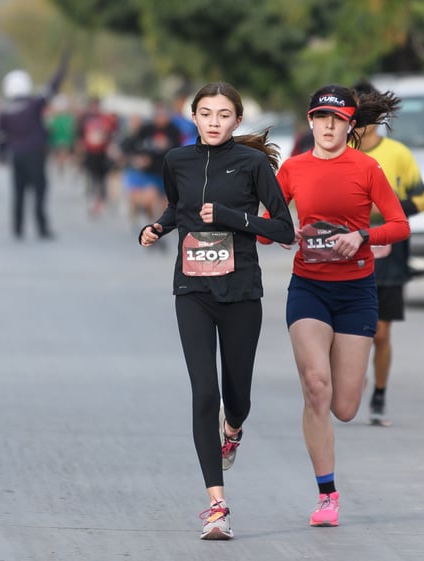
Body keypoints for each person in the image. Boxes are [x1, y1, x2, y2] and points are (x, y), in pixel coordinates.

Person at [138, 82, 294, 540]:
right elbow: (176, 208)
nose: (213, 122)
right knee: (204, 392)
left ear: (237, 121)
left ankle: (235, 426)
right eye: (205, 113)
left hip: (242, 290)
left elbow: (283, 227)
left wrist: (231, 216)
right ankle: (217, 506)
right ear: (194, 117)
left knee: (237, 396)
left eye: (223, 115)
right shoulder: (177, 161)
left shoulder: (252, 164)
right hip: (192, 290)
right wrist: (157, 228)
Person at [261, 84, 410, 527]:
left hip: (357, 291)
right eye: (321, 117)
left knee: (344, 406)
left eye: (337, 119)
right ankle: (327, 494)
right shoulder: (293, 169)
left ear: (350, 125)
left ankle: (353, 369)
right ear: (310, 121)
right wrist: (281, 233)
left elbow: (399, 225)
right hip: (309, 288)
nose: (328, 126)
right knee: (315, 387)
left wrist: (362, 235)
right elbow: (269, 225)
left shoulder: (367, 168)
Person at [352, 80, 424, 427]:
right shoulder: (336, 153)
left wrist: (391, 208)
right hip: (342, 249)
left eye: (367, 112)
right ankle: (349, 380)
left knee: (380, 333)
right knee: (346, 330)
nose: (359, 119)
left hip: (387, 250)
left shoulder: (397, 154)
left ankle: (379, 394)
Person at [0, 48, 69, 240]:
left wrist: (2, 156)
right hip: (35, 154)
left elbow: (1, 136)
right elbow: (52, 88)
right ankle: (42, 228)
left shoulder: (5, 110)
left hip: (17, 155)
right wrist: (62, 67)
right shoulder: (33, 104)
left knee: (18, 194)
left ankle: (17, 229)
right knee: (39, 191)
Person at [124, 103, 183, 224]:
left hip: (167, 172)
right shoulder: (146, 129)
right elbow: (133, 146)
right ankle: (151, 221)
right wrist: (139, 159)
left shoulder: (174, 131)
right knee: (150, 197)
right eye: (159, 115)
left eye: (164, 115)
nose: (161, 118)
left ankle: (159, 224)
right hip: (149, 171)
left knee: (165, 202)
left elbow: (179, 150)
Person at [76, 97, 118, 217]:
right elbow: (80, 137)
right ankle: (93, 199)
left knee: (102, 178)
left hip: (102, 153)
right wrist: (79, 154)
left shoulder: (105, 119)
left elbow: (112, 134)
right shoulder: (85, 119)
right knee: (91, 177)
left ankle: (102, 201)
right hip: (90, 153)